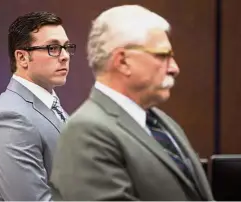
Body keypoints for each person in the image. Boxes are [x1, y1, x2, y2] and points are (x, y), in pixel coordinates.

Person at [50, 5, 213, 201]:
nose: (174, 68)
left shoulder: (161, 122)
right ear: (122, 61)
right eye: (162, 55)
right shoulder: (86, 131)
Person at [0, 11, 76, 201]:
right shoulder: (9, 119)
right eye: (53, 48)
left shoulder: (51, 105)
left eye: (66, 47)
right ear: (22, 58)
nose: (65, 56)